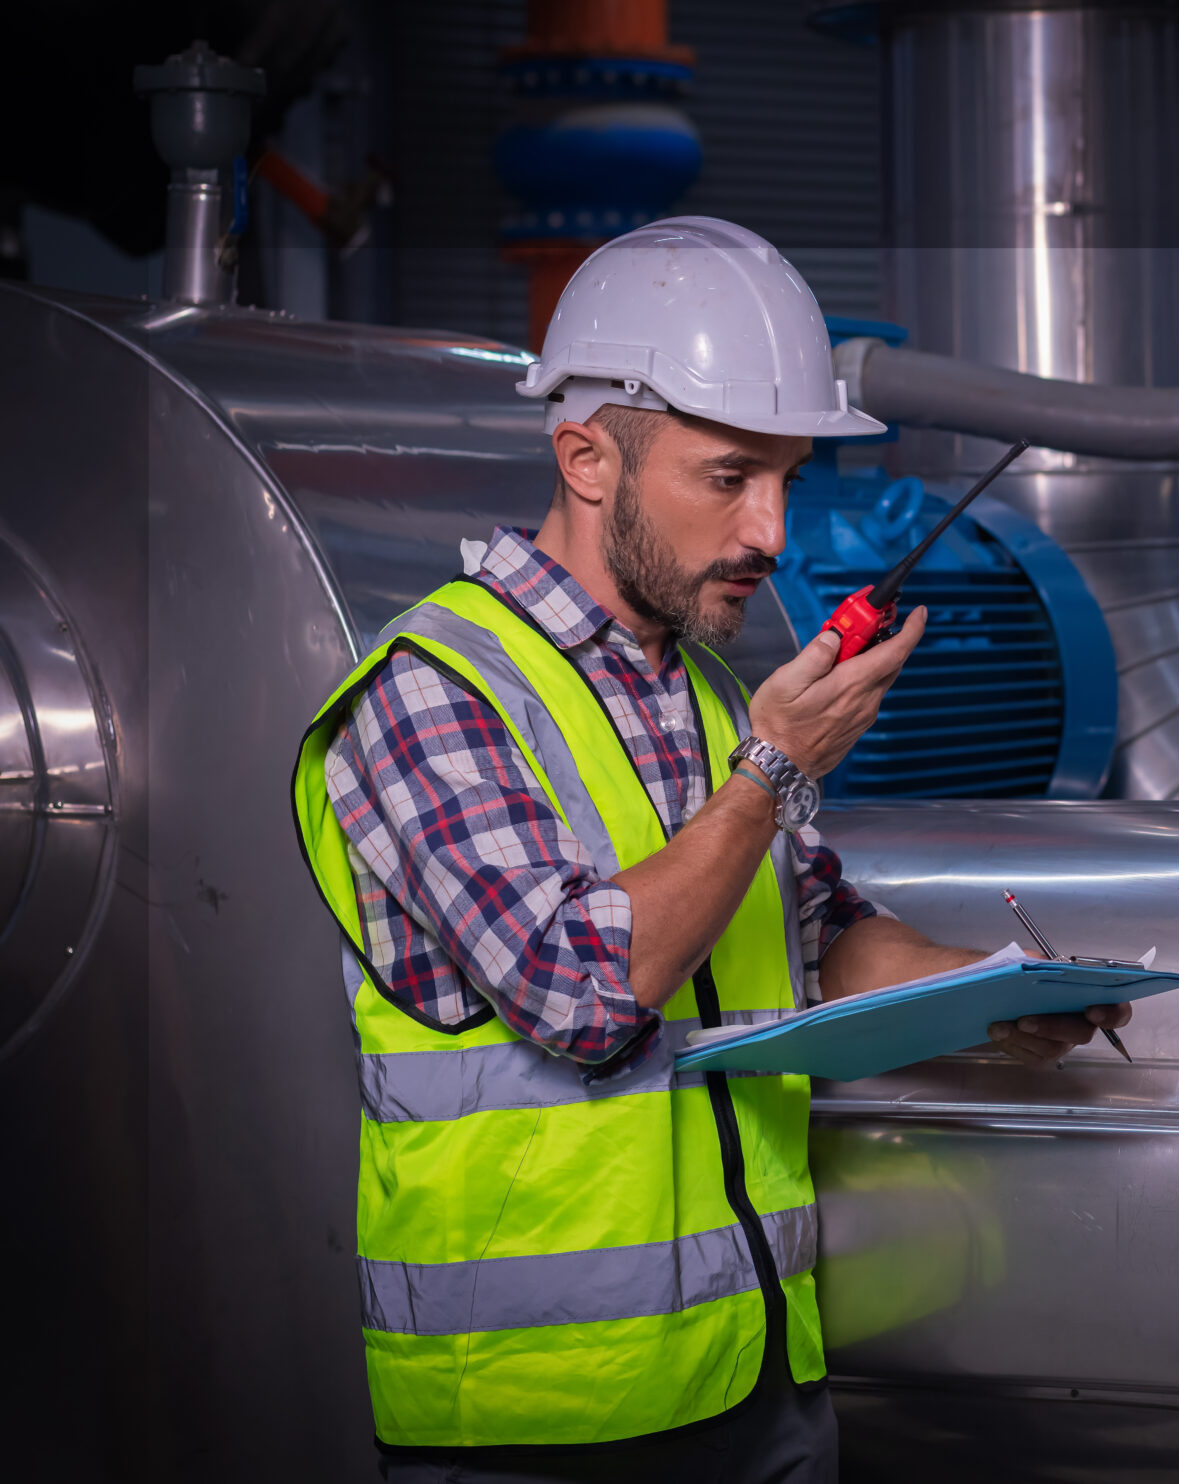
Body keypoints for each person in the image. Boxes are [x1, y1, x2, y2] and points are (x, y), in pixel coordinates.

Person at [287, 217, 1133, 1482]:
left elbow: (818, 935)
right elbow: (581, 992)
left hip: (759, 1378)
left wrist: (991, 995)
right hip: (543, 1418)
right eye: (730, 475)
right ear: (587, 458)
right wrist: (772, 773)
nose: (772, 530)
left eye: (787, 477)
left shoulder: (713, 697)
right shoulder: (434, 692)